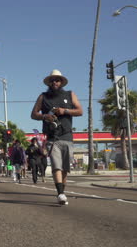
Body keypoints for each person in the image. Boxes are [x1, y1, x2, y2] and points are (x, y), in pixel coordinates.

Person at [31, 69, 83, 205]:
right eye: (52, 80)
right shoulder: (43, 97)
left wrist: (64, 111)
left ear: (61, 82)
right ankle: (60, 193)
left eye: (57, 80)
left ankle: (62, 192)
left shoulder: (70, 94)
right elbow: (33, 114)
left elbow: (80, 111)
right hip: (52, 137)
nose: (55, 82)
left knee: (65, 168)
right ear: (49, 83)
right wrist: (45, 116)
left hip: (67, 135)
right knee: (56, 165)